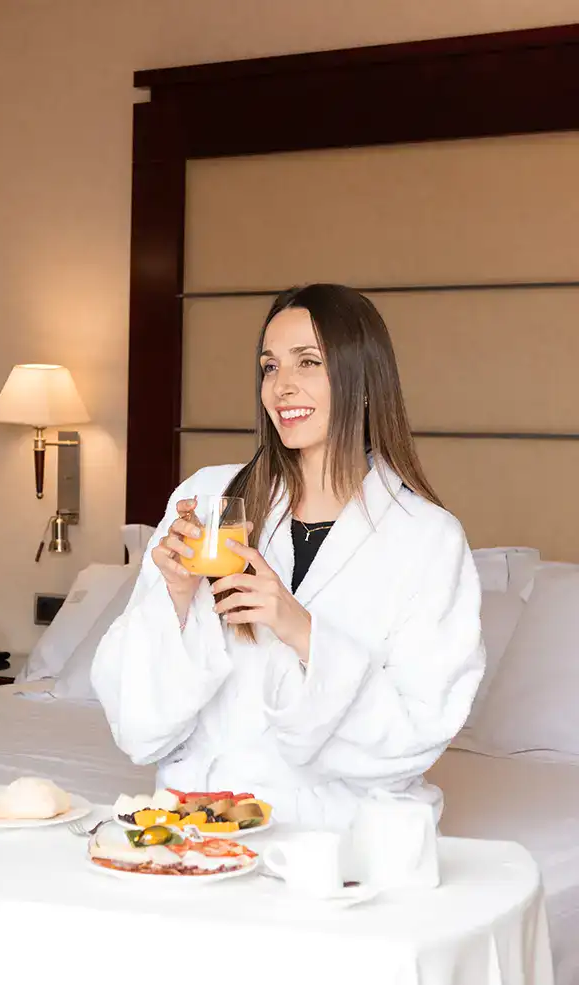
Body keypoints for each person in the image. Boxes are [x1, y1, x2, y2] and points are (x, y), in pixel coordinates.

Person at [92, 284, 484, 828]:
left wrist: (298, 628)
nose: (282, 386)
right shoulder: (211, 498)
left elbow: (413, 737)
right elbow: (137, 726)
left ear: (363, 381)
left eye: (309, 362)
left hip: (337, 837)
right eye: (270, 366)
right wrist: (177, 600)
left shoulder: (427, 539)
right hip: (196, 825)